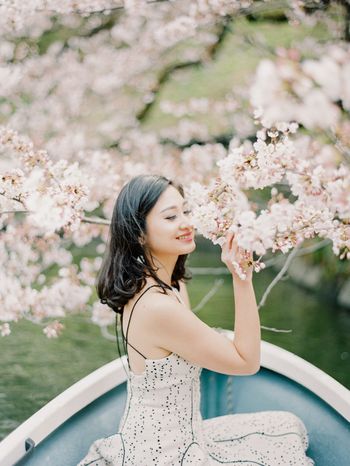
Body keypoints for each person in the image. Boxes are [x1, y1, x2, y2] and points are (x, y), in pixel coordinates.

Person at [77, 174, 314, 466]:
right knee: (286, 449)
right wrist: (242, 278)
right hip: (163, 455)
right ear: (139, 234)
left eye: (186, 212)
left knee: (287, 427)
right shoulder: (157, 308)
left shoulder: (163, 286)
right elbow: (247, 362)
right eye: (171, 217)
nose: (187, 223)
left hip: (186, 436)